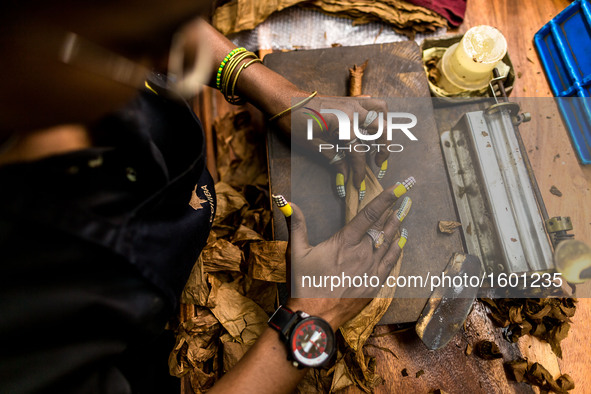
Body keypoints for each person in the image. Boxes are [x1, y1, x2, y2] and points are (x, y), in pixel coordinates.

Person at [0, 1, 414, 392]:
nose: (180, 58)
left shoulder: (57, 55)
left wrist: (275, 92)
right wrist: (310, 322)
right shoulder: (28, 310)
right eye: (131, 50)